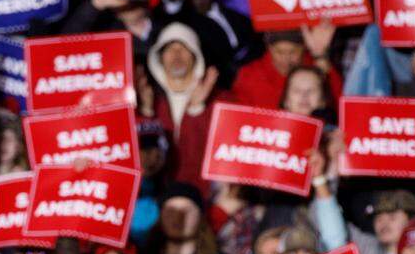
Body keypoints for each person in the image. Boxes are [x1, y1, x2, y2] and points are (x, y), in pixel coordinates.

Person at [141, 22, 221, 193]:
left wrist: (196, 110)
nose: (177, 55)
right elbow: (146, 164)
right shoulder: (149, 100)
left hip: (202, 198)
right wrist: (146, 115)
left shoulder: (219, 101)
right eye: (170, 49)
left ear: (195, 56)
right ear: (159, 57)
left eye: (183, 48)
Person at [230, 28, 341, 110]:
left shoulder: (317, 67)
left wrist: (320, 56)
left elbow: (339, 104)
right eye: (280, 52)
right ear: (269, 49)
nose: (286, 59)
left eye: (293, 52)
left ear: (303, 48)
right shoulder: (250, 75)